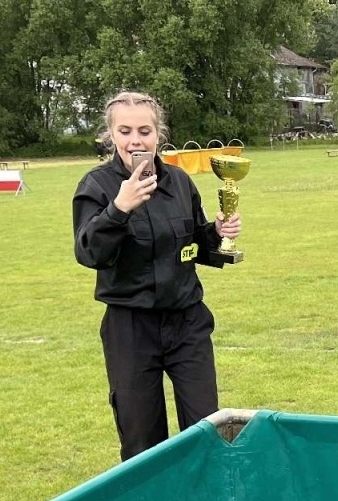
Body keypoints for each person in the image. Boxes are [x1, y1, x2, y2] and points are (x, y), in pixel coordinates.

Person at [72, 90, 242, 461]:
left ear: (158, 134)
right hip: (130, 327)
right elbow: (88, 252)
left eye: (145, 131)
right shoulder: (97, 187)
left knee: (205, 429)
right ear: (111, 135)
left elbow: (195, 244)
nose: (136, 140)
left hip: (186, 322)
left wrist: (217, 232)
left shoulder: (180, 183)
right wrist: (119, 209)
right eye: (126, 131)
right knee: (141, 439)